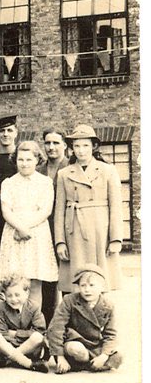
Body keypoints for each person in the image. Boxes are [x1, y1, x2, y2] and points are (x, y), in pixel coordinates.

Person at [54, 125, 123, 294]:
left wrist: (116, 239)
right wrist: (60, 242)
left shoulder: (108, 170)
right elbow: (59, 210)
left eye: (85, 145)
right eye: (77, 146)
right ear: (71, 148)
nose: (81, 150)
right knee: (74, 287)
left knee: (100, 283)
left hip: (100, 231)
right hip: (74, 232)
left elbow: (116, 207)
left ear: (94, 146)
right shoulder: (64, 173)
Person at [0, 141, 58, 310]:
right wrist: (19, 227)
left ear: (37, 160)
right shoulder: (8, 183)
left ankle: (34, 324)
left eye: (29, 159)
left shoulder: (45, 182)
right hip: (13, 232)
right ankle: (13, 322)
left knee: (35, 282)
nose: (24, 163)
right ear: (15, 160)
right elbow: (6, 210)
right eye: (21, 159)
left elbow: (46, 210)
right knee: (13, 281)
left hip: (36, 233)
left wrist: (26, 228)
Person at [47, 264, 122, 374]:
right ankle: (87, 365)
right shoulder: (69, 301)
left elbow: (111, 334)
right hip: (74, 341)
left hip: (94, 346)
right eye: (83, 285)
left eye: (92, 285)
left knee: (119, 357)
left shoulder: (108, 305)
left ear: (102, 287)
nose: (87, 290)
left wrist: (104, 356)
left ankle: (86, 365)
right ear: (78, 287)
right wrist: (59, 357)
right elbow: (56, 327)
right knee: (77, 349)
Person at [37, 128, 69, 324]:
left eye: (56, 143)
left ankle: (68, 324)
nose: (51, 147)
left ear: (65, 145)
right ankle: (47, 323)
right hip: (42, 228)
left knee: (67, 276)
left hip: (66, 228)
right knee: (46, 276)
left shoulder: (71, 167)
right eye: (47, 143)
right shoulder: (38, 168)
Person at [0, 273, 49, 373]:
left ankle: (7, 360)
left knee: (37, 337)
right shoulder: (1, 308)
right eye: (9, 296)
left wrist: (17, 333)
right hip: (8, 344)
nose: (13, 299)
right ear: (4, 296)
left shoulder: (33, 307)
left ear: (26, 293)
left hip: (28, 345)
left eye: (17, 295)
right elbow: (0, 331)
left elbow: (40, 329)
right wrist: (13, 337)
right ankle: (28, 364)